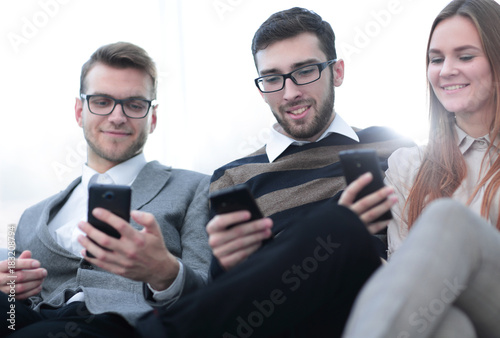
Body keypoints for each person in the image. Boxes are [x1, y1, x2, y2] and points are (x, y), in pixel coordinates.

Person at [136, 7, 414, 337]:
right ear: (260, 88)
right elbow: (234, 292)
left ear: (337, 72)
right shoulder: (233, 177)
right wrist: (226, 263)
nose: (290, 92)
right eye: (272, 78)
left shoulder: (392, 146)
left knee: (341, 225)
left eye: (305, 71)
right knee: (337, 223)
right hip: (280, 319)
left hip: (374, 306)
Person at [0, 42, 211, 337]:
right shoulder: (30, 217)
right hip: (33, 321)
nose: (117, 116)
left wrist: (165, 272)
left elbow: (211, 293)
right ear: (79, 111)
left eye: (134, 104)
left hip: (125, 326)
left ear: (152, 117)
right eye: (101, 101)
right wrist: (11, 293)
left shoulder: (196, 188)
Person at [342, 0, 500, 337]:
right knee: (449, 327)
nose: (445, 71)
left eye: (466, 56)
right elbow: (403, 274)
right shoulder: (407, 165)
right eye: (436, 59)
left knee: (447, 218)